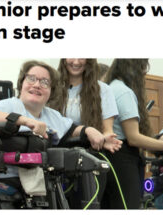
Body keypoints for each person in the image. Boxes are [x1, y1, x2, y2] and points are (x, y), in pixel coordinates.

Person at [0, 61, 122, 201]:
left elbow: (72, 129)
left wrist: (90, 130)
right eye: (31, 79)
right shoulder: (10, 105)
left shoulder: (51, 116)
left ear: (51, 91)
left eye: (44, 82)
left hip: (37, 185)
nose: (37, 85)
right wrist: (23, 120)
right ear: (22, 83)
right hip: (0, 183)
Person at [101, 59, 163, 209]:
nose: (144, 72)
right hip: (122, 159)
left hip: (109, 159)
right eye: (143, 67)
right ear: (134, 68)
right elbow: (133, 138)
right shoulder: (124, 92)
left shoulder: (110, 87)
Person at [49, 58, 119, 208]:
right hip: (55, 158)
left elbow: (107, 129)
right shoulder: (52, 87)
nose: (76, 61)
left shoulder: (103, 90)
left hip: (88, 157)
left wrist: (105, 137)